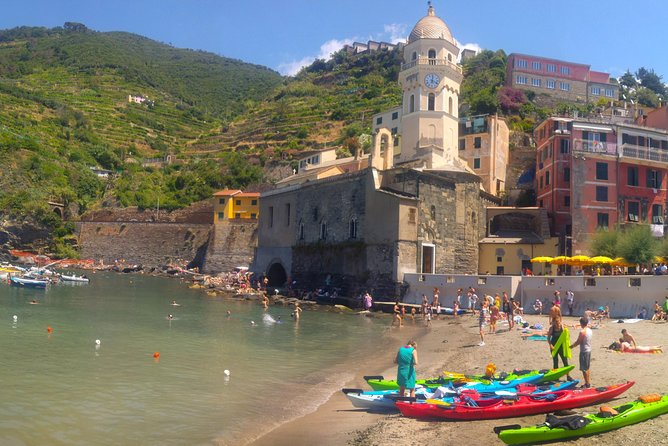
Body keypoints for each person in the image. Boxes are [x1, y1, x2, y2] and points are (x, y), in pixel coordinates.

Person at [547, 302, 573, 381]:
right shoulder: (552, 328)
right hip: (554, 346)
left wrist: (567, 337)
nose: (557, 323)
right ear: (554, 322)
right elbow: (548, 338)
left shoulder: (563, 327)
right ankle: (556, 377)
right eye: (556, 322)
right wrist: (550, 345)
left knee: (565, 361)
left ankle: (568, 376)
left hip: (561, 346)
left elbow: (568, 336)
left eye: (558, 322)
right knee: (555, 362)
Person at [570, 317, 593, 388]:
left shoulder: (582, 331)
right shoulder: (589, 330)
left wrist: (572, 346)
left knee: (584, 369)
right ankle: (588, 383)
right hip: (589, 350)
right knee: (587, 367)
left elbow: (578, 341)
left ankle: (587, 384)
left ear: (581, 323)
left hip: (584, 351)